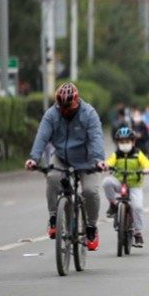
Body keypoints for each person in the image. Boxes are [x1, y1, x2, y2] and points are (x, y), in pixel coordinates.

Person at [26, 83, 106, 251]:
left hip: (87, 159)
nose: (65, 111)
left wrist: (98, 160)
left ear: (76, 101)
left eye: (68, 107)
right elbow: (42, 136)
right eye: (61, 107)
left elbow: (96, 137)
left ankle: (91, 227)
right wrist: (34, 158)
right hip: (62, 157)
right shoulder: (52, 114)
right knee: (53, 177)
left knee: (90, 191)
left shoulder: (89, 114)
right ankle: (54, 217)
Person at [103, 127, 149, 247]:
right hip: (120, 182)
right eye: (121, 142)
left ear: (133, 142)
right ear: (118, 143)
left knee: (137, 207)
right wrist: (106, 165)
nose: (124, 144)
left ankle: (138, 233)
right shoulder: (117, 154)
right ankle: (113, 204)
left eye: (127, 141)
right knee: (106, 182)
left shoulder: (137, 153)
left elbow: (146, 163)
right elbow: (109, 162)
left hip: (134, 184)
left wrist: (145, 169)